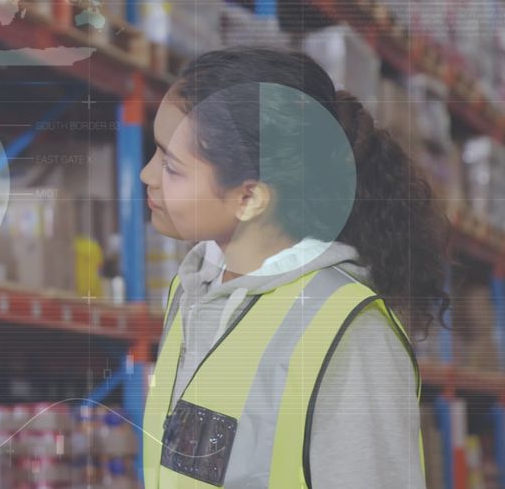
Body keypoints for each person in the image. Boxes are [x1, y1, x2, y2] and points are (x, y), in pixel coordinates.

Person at [139, 47, 448, 488]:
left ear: (249, 197)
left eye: (171, 166)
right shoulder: (191, 293)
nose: (146, 176)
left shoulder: (349, 333)